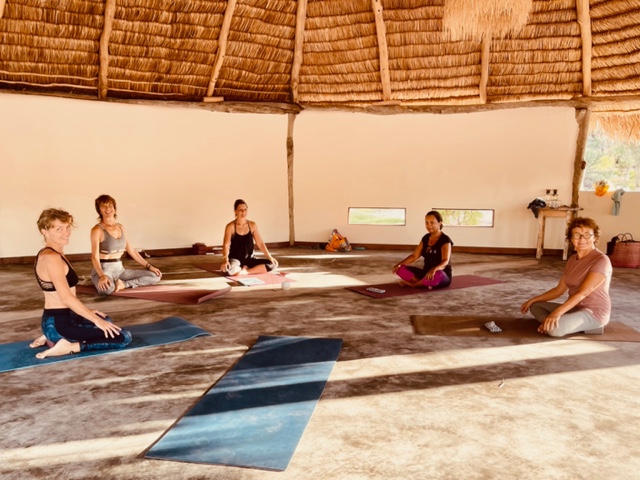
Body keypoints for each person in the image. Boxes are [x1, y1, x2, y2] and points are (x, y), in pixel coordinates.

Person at [31, 208, 132, 359]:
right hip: (59, 323)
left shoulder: (54, 252)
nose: (66, 233)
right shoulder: (51, 258)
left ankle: (51, 337)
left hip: (63, 317)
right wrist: (95, 320)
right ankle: (68, 346)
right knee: (123, 337)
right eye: (59, 229)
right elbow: (66, 298)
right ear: (45, 232)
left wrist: (89, 313)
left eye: (67, 227)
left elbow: (63, 296)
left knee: (106, 320)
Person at [521, 217, 612, 337]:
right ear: (571, 239)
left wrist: (557, 313)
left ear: (595, 238)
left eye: (587, 235)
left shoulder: (601, 260)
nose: (582, 239)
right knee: (536, 306)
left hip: (594, 312)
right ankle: (549, 323)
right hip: (575, 307)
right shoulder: (572, 259)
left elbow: (583, 293)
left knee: (555, 330)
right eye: (577, 235)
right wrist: (532, 300)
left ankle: (554, 324)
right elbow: (558, 291)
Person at [90, 195, 161, 295]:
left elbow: (132, 251)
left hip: (120, 271)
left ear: (114, 208)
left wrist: (149, 266)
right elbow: (94, 257)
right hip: (104, 270)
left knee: (155, 276)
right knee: (106, 290)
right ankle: (103, 281)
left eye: (110, 205)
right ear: (99, 210)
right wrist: (102, 276)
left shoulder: (120, 227)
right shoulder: (97, 230)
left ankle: (124, 284)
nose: (107, 209)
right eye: (103, 206)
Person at [391, 210, 453, 289]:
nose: (429, 225)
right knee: (400, 269)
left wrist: (434, 269)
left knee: (437, 275)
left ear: (439, 223)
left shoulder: (445, 240)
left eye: (432, 222)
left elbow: (445, 261)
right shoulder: (426, 238)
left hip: (441, 274)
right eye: (426, 222)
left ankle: (414, 284)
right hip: (426, 273)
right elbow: (414, 256)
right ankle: (423, 283)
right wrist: (399, 264)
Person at [220, 199, 278, 275]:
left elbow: (260, 243)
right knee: (227, 269)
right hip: (235, 260)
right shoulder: (230, 227)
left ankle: (247, 271)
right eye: (240, 210)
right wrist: (225, 260)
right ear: (235, 211)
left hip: (250, 259)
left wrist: (269, 257)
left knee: (273, 264)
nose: (243, 212)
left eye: (245, 210)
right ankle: (242, 269)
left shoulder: (252, 225)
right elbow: (226, 245)